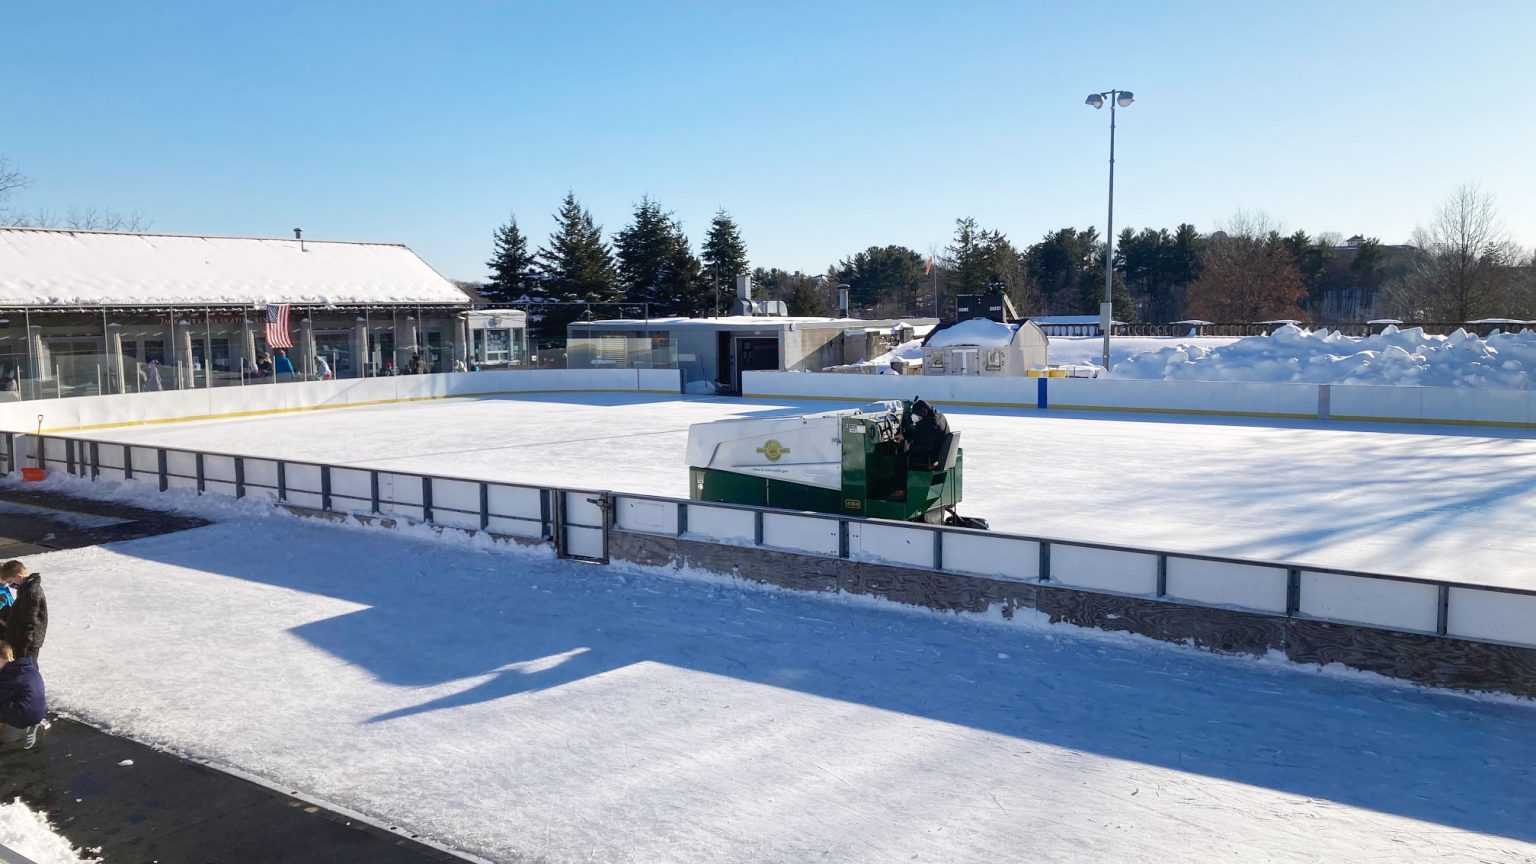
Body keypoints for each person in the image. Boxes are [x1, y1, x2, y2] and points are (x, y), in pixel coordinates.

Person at [0, 640, 44, 750]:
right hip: (38, 713)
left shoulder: (8, 675)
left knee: (5, 737)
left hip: (24, 716)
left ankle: (23, 730)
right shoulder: (27, 666)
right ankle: (31, 725)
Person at [0, 561, 44, 661]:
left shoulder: (30, 592)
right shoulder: (26, 590)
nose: (9, 584)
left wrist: (24, 642)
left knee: (25, 666)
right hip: (13, 634)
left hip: (25, 640)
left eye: (9, 581)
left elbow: (30, 619)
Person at [899, 397, 950, 469]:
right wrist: (904, 435)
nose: (917, 419)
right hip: (939, 452)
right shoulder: (937, 415)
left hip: (932, 456)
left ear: (923, 413)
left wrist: (909, 446)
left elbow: (926, 446)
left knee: (901, 459)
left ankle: (900, 479)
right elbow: (920, 431)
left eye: (918, 416)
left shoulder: (930, 423)